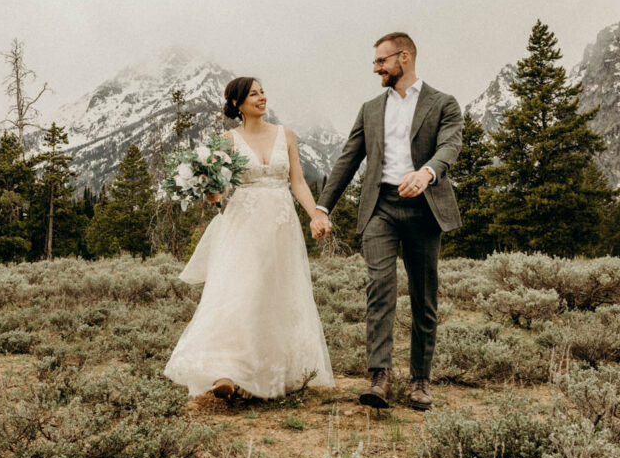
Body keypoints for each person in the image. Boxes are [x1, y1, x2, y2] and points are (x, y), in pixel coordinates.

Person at [313, 33, 462, 410]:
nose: (376, 68)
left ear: (404, 57)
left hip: (424, 207)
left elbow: (450, 147)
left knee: (424, 297)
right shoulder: (370, 108)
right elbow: (348, 158)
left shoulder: (443, 103)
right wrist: (322, 207)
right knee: (379, 286)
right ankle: (379, 375)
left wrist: (426, 173)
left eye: (381, 61)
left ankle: (420, 381)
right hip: (380, 207)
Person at [164, 77, 334, 400]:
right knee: (240, 292)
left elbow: (297, 182)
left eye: (263, 91)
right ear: (237, 104)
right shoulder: (227, 142)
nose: (261, 97)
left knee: (277, 293)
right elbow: (220, 193)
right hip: (243, 225)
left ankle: (273, 372)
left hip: (281, 225)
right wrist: (209, 189)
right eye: (253, 94)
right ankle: (226, 371)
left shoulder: (286, 135)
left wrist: (315, 214)